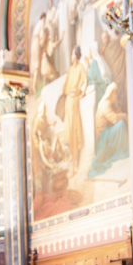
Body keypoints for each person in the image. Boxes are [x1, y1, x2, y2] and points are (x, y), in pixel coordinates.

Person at [88, 83, 128, 178]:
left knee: (120, 123)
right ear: (110, 94)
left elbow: (115, 114)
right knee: (121, 124)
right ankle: (120, 151)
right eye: (115, 94)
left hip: (106, 133)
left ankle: (121, 149)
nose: (116, 96)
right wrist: (124, 116)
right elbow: (114, 118)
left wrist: (116, 105)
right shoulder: (105, 105)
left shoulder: (107, 103)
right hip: (103, 137)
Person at [62, 46, 87, 177]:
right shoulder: (70, 69)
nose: (72, 57)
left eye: (73, 54)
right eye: (71, 55)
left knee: (74, 131)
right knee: (68, 130)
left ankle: (75, 164)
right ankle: (72, 159)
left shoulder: (80, 68)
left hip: (74, 102)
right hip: (68, 102)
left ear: (76, 55)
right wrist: (68, 92)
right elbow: (65, 86)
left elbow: (85, 81)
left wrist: (81, 94)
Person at [99, 31, 127, 112]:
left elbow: (119, 41)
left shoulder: (113, 44)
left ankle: (123, 107)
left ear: (108, 37)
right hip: (114, 74)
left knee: (121, 88)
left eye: (105, 38)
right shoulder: (105, 50)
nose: (104, 40)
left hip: (119, 71)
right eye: (102, 39)